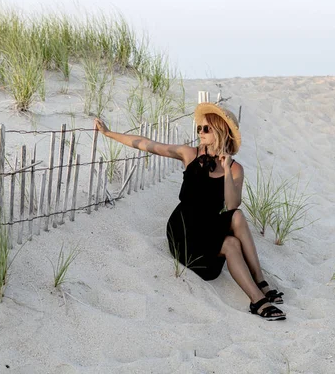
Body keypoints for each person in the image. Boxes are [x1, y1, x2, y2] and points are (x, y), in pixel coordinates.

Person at [94, 102, 286, 321]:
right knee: (231, 243)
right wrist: (108, 133)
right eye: (199, 128)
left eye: (206, 129)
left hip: (209, 226)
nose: (200, 133)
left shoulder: (234, 169)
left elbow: (232, 205)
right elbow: (148, 144)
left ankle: (260, 280)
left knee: (238, 218)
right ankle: (257, 300)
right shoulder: (189, 154)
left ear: (221, 131)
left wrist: (225, 169)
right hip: (185, 231)